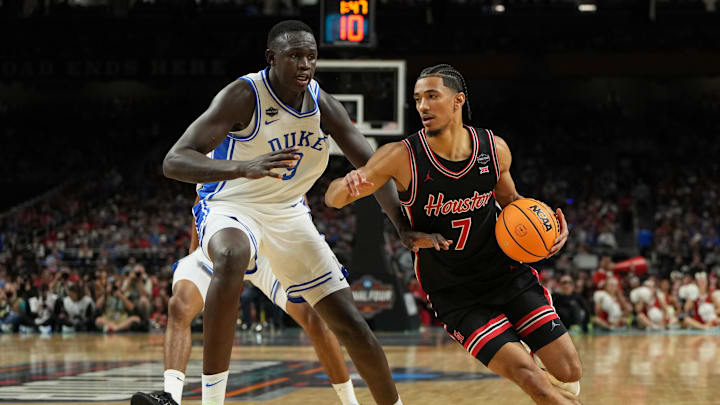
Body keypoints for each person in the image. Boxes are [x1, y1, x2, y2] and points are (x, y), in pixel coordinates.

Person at [159, 20, 433, 405]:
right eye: (294, 56)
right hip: (231, 204)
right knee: (231, 254)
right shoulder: (244, 94)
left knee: (350, 324)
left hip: (289, 213)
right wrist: (242, 167)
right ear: (271, 58)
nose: (305, 64)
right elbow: (174, 160)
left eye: (311, 56)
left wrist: (402, 227)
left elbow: (374, 171)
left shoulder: (325, 105)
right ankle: (211, 401)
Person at [325, 64, 583, 404]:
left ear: (458, 100)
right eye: (418, 99)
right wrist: (346, 185)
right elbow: (333, 198)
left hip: (505, 274)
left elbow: (512, 202)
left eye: (433, 96)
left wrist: (546, 227)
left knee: (569, 372)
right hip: (454, 291)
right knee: (528, 375)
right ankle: (532, 372)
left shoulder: (494, 149)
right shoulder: (402, 157)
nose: (423, 106)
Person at [131, 206, 361, 405]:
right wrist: (195, 248)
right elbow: (201, 197)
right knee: (179, 305)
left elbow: (297, 195)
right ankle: (170, 397)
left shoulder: (281, 155)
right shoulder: (209, 156)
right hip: (221, 242)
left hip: (268, 248)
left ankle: (350, 401)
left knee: (315, 319)